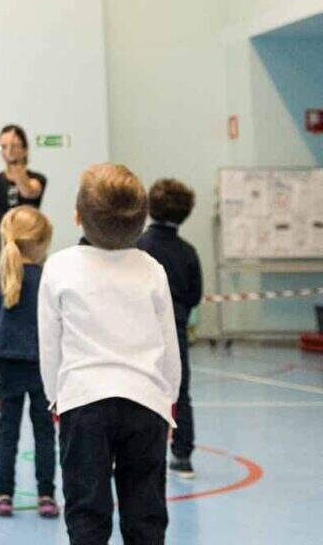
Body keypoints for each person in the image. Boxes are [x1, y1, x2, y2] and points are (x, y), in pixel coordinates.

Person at [39, 164, 180, 545]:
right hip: (145, 402)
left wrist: (57, 398)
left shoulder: (59, 267)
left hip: (84, 403)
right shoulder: (151, 269)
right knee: (146, 512)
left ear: (77, 216)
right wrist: (170, 402)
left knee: (87, 511)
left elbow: (49, 345)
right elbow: (170, 346)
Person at [0, 206, 59, 519]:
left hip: (7, 363)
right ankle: (47, 496)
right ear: (41, 244)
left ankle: (4, 493)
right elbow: (58, 327)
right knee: (45, 433)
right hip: (42, 366)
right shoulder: (49, 279)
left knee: (7, 432)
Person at [137, 178, 202, 479]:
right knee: (179, 390)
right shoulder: (187, 251)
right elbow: (194, 295)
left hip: (140, 330)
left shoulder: (138, 246)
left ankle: (135, 451)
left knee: (139, 389)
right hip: (174, 330)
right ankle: (183, 454)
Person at [0, 125, 47, 272]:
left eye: (14, 146)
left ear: (24, 148)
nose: (8, 151)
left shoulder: (37, 179)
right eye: (3, 146)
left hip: (28, 248)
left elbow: (27, 191)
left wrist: (17, 164)